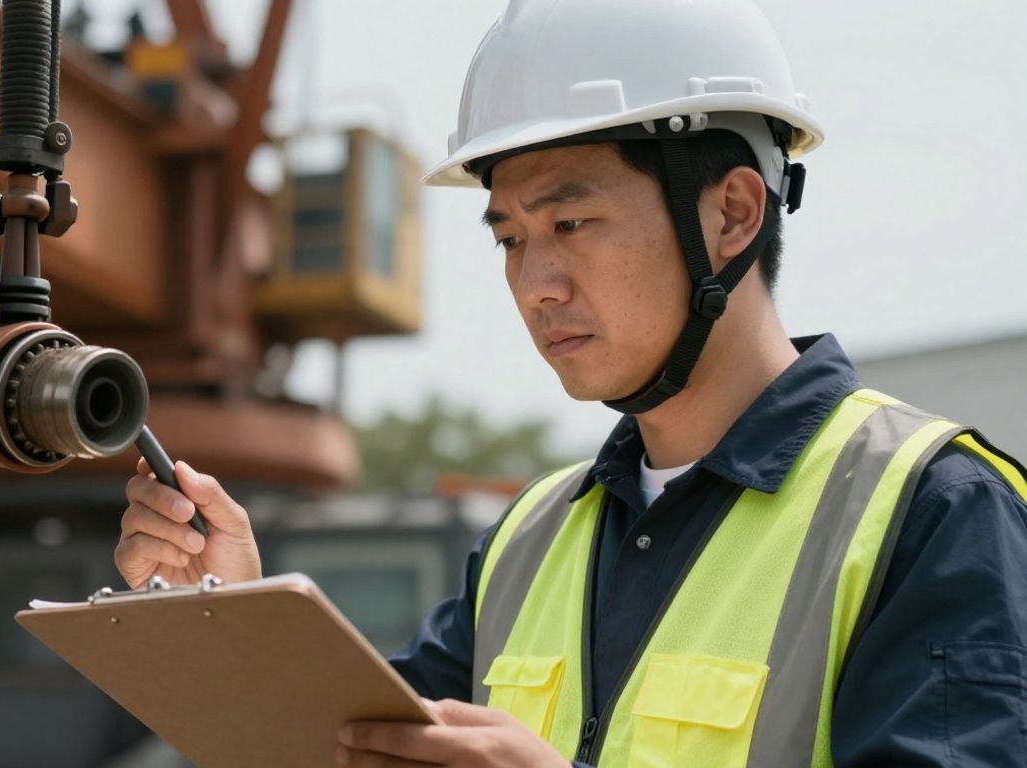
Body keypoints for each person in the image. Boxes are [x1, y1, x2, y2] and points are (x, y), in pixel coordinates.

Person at [114, 0, 1027, 765]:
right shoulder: (527, 542)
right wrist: (230, 617)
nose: (534, 284)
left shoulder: (933, 513)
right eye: (511, 238)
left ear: (734, 213)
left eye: (574, 221)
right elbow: (355, 747)